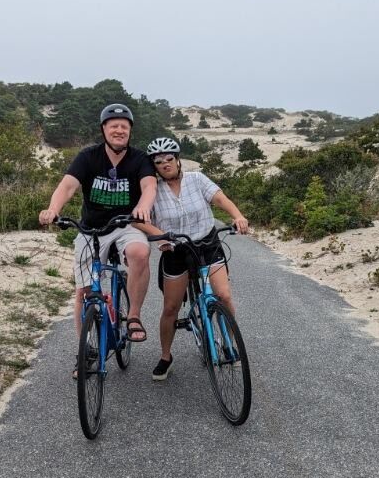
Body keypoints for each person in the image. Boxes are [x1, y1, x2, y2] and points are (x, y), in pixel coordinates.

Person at [39, 104, 157, 376]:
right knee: (84, 291)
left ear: (130, 132)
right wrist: (53, 209)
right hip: (92, 228)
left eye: (124, 127)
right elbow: (68, 185)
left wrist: (143, 206)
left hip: (125, 224)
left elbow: (149, 186)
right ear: (104, 129)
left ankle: (135, 316)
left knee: (139, 252)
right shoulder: (88, 157)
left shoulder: (139, 159)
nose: (119, 130)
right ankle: (86, 352)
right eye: (113, 126)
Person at [139, 137, 248, 381]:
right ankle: (166, 356)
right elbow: (140, 219)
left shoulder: (197, 179)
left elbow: (220, 198)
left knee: (224, 296)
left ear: (178, 160)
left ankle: (229, 343)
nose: (165, 164)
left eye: (169, 159)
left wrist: (238, 216)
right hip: (175, 250)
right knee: (170, 308)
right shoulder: (152, 190)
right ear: (154, 166)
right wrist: (160, 237)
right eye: (159, 161)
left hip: (207, 244)